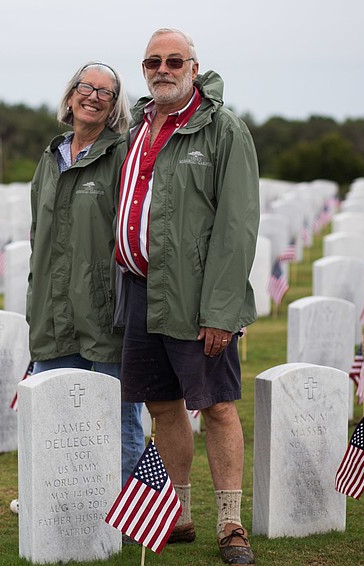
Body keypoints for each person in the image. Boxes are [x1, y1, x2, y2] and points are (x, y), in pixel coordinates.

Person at [115, 29, 259, 564]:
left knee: (216, 406)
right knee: (162, 404)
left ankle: (230, 523)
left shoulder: (223, 130)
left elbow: (237, 226)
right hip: (140, 292)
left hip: (197, 298)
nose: (163, 68)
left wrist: (222, 310)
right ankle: (175, 514)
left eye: (175, 60)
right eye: (153, 60)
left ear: (194, 68)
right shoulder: (136, 125)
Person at [27, 61, 145, 483]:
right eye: (86, 87)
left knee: (119, 415)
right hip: (52, 310)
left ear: (114, 106)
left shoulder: (122, 156)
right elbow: (38, 235)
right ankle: (61, 500)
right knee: (54, 413)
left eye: (105, 92)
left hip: (105, 309)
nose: (93, 96)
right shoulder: (51, 156)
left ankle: (129, 511)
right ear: (71, 95)